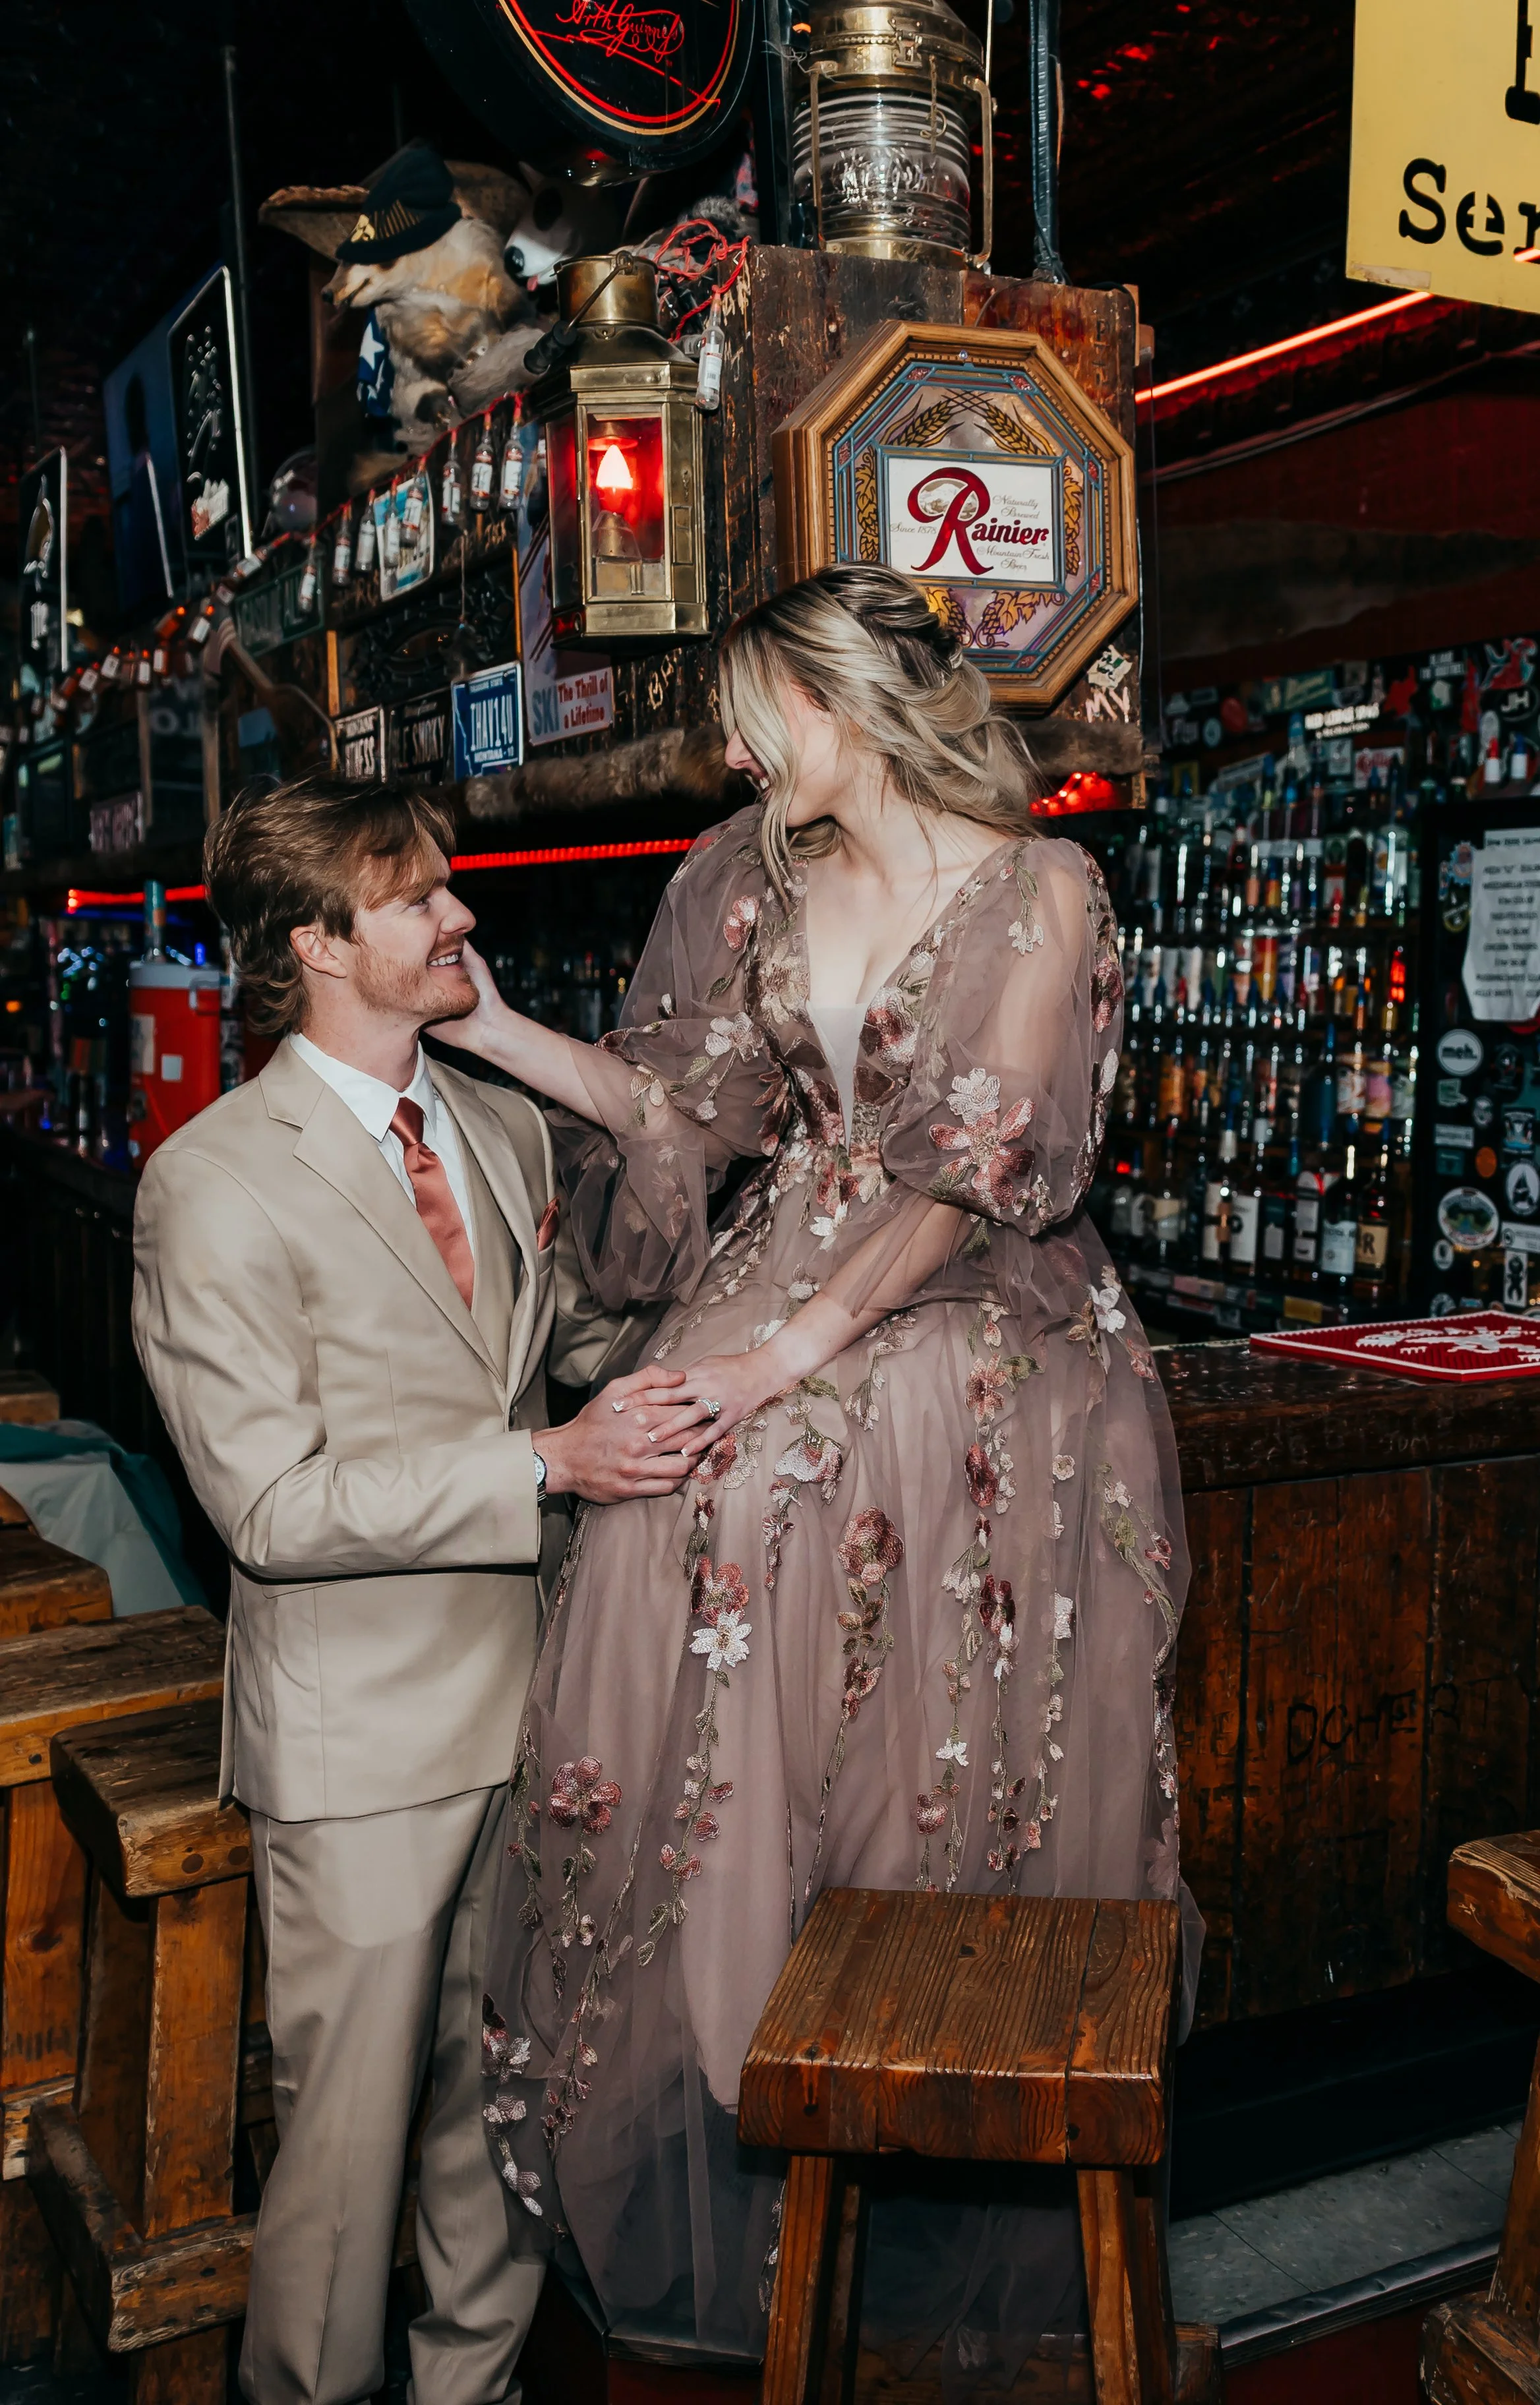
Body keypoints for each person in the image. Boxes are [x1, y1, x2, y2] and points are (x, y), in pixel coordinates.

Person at [441, 564, 1193, 2390]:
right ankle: (744, 2108)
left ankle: (906, 2164)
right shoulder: (741, 874)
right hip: (775, 1283)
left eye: (750, 715)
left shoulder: (1043, 885)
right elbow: (677, 1112)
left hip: (976, 1335)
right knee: (681, 1551)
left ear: (842, 708)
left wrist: (785, 1354)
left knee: (811, 1516)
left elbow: (967, 1174)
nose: (724, 747)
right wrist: (483, 1024)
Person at [131, 777, 713, 2405]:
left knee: (497, 2115)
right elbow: (268, 1503)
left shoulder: (501, 1120)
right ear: (316, 942)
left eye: (449, 888)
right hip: (359, 1736)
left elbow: (566, 1362)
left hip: (530, 1701)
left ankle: (476, 2387)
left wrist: (740, 1370)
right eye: (417, 901)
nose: (462, 919)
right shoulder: (216, 1181)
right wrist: (550, 1466)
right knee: (344, 2146)